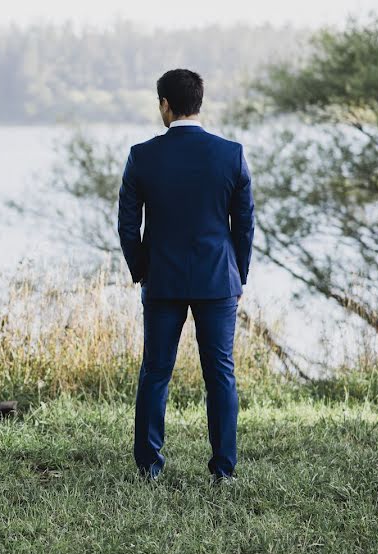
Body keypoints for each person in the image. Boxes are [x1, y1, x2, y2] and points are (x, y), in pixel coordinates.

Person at [117, 68, 255, 484]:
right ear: (199, 102)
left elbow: (127, 225)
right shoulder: (230, 153)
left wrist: (142, 269)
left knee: (156, 371)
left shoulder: (142, 155)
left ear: (165, 104)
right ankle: (223, 470)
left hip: (163, 280)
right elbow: (244, 224)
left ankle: (149, 468)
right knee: (221, 373)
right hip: (218, 281)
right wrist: (238, 274)